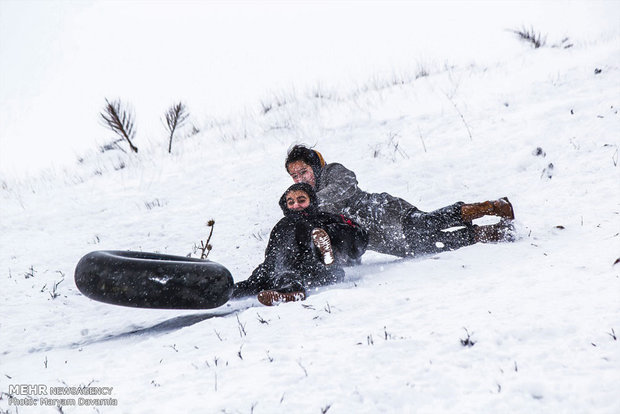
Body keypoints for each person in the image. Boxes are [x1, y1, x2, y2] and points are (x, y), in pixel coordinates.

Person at [284, 144, 515, 258]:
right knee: (433, 244)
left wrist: (313, 200)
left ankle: (492, 206)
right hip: (381, 239)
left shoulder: (332, 172)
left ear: (314, 166)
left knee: (430, 223)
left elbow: (347, 184)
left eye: (303, 172)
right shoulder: (307, 204)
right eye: (294, 176)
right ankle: (495, 233)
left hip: (384, 212)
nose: (299, 179)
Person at [232, 183, 368, 305]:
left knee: (289, 274)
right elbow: (271, 254)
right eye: (291, 202)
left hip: (319, 269)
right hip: (278, 268)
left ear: (312, 201)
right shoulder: (281, 225)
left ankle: (293, 291)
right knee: (256, 280)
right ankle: (223, 295)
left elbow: (359, 236)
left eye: (301, 200)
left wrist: (330, 233)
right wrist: (266, 269)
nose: (295, 205)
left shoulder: (324, 218)